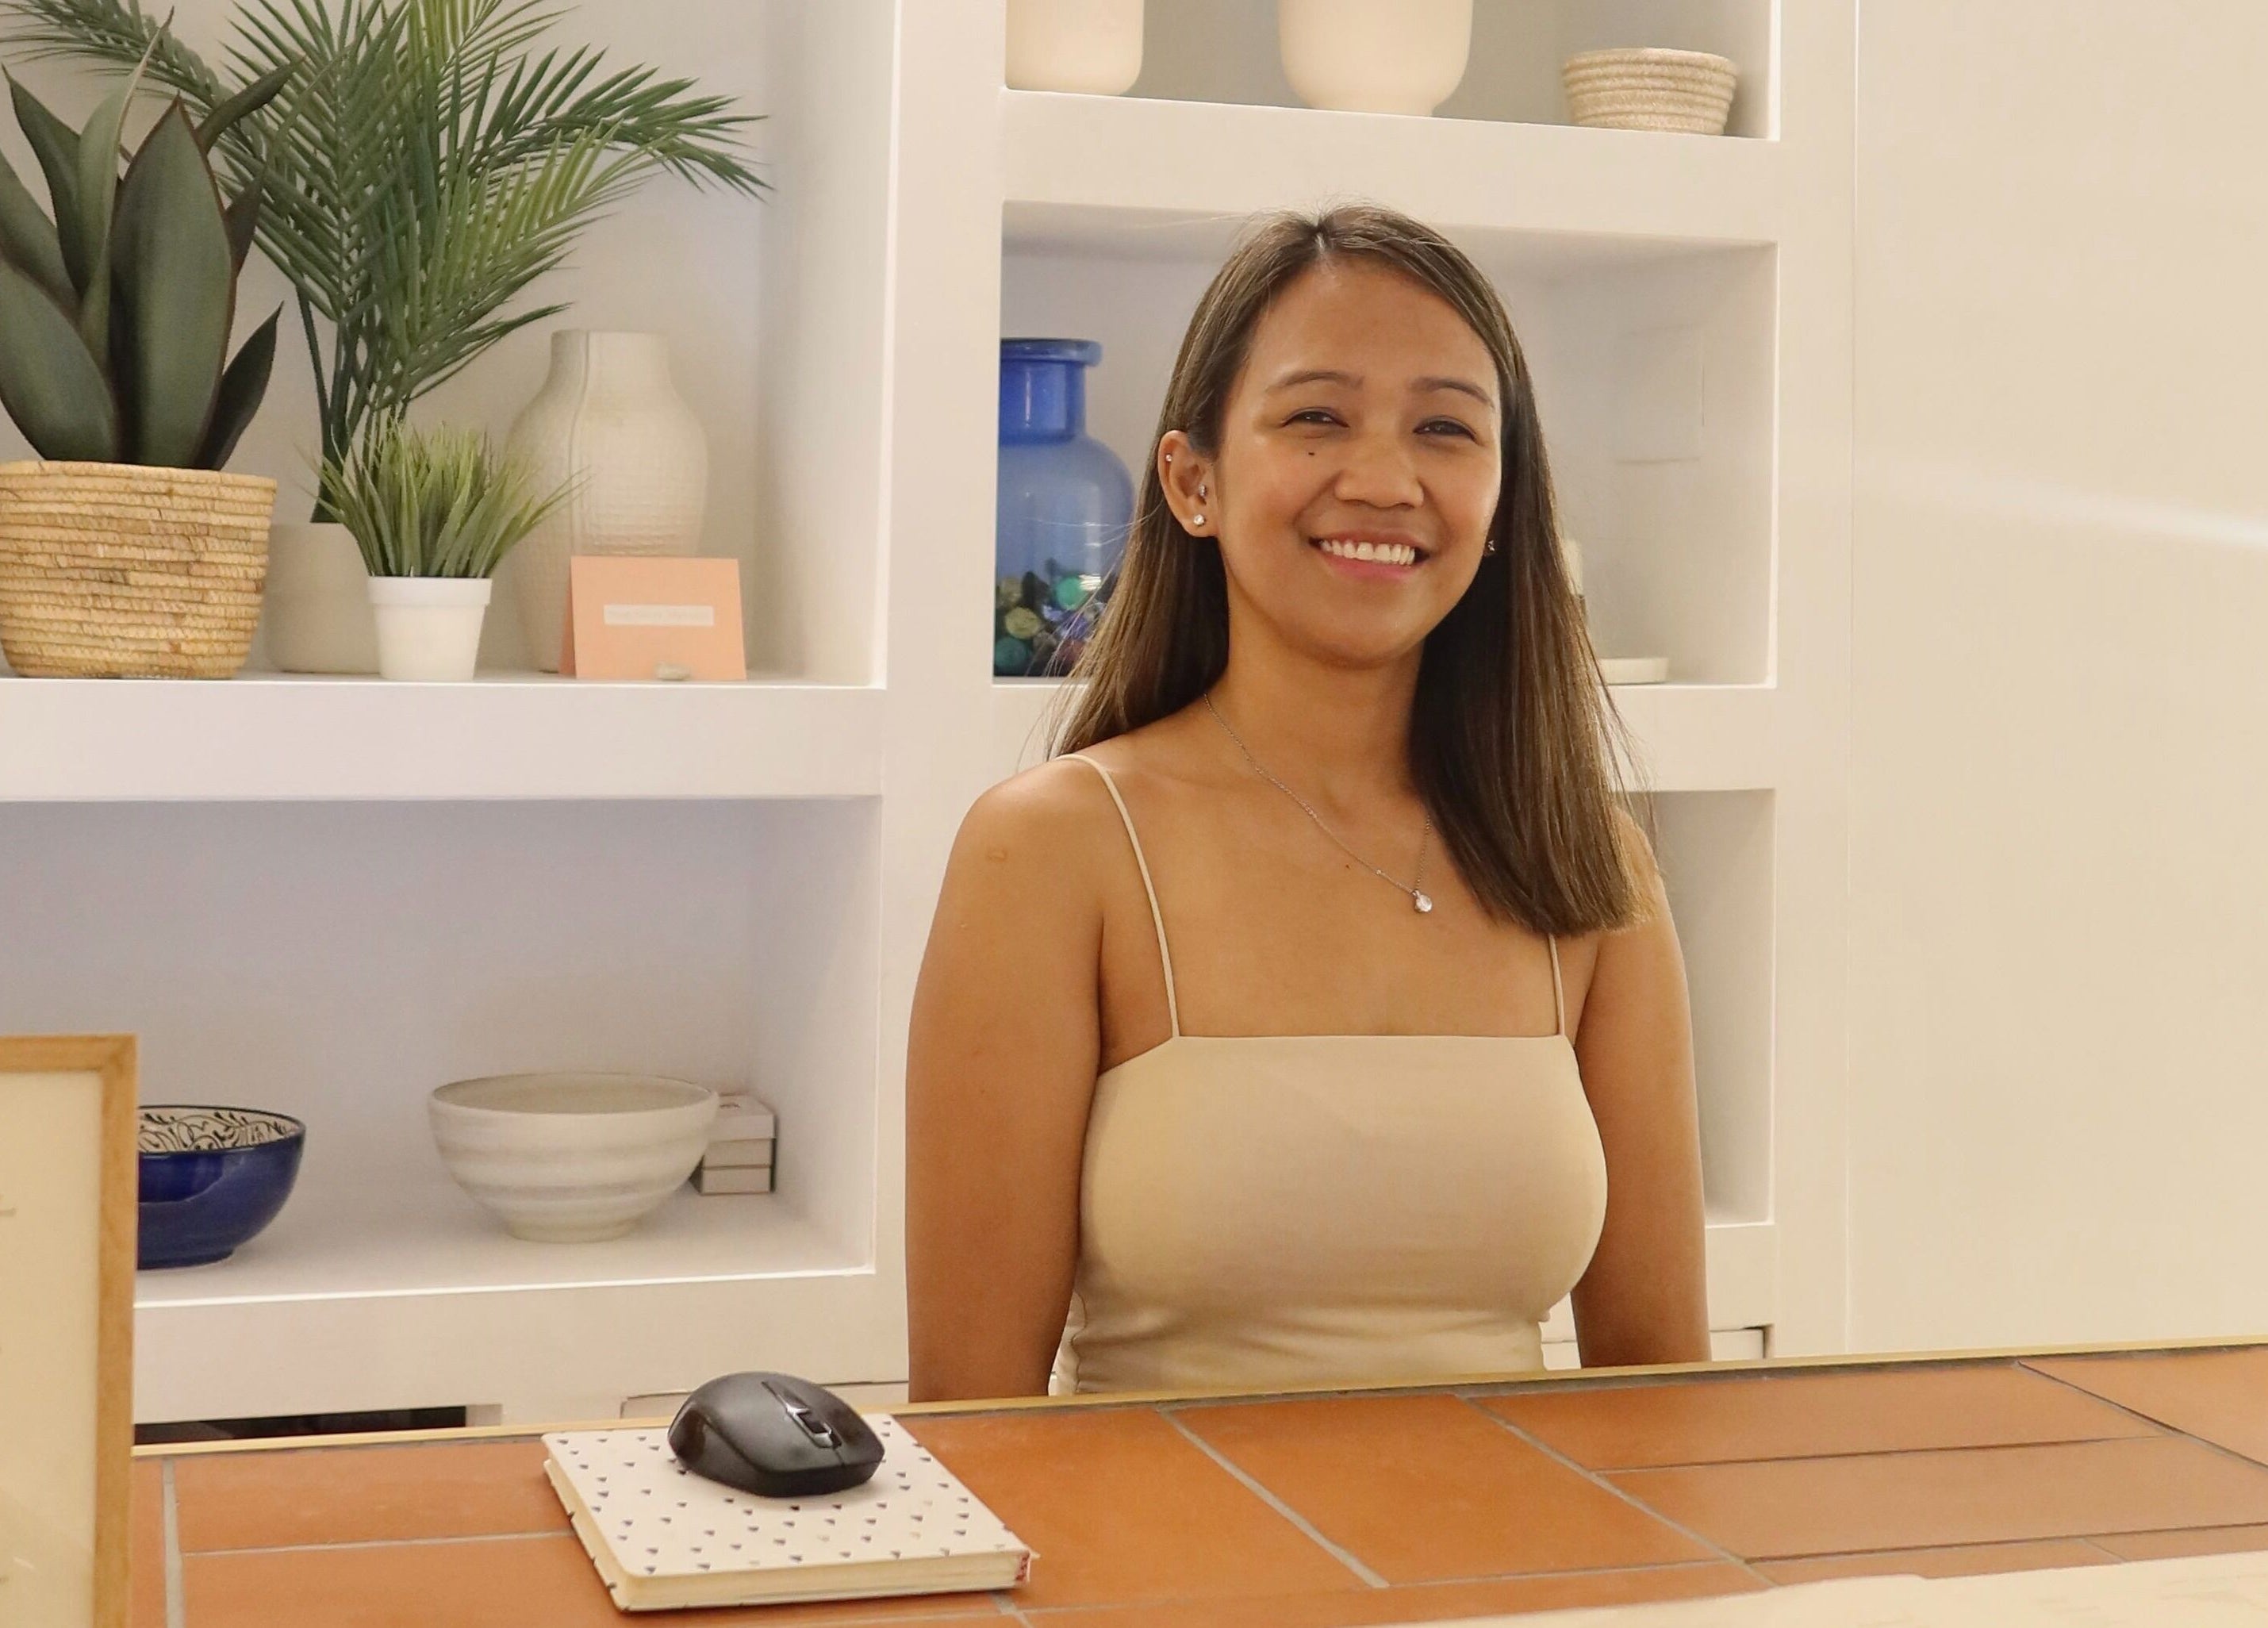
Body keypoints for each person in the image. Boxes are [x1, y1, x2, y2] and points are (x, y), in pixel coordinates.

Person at [907, 205, 1709, 1402]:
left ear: (1503, 505)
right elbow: (976, 1419)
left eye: (1446, 428)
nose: (1383, 480)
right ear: (1193, 482)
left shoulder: (1589, 865)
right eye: (1316, 417)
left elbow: (1663, 1404)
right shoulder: (1053, 851)